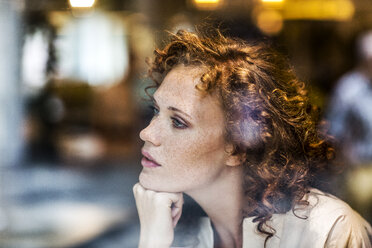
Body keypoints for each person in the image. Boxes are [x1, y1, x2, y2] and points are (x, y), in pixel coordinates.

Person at [133, 29, 372, 248]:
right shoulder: (173, 228)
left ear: (237, 148)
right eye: (156, 111)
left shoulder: (328, 231)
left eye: (178, 122)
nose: (147, 133)